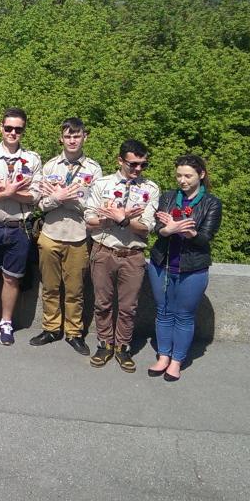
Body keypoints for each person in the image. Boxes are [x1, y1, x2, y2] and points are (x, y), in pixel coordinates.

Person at [84, 139, 160, 373]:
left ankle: (123, 346)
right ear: (120, 161)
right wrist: (112, 218)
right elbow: (89, 220)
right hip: (105, 250)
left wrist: (123, 219)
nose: (138, 170)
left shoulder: (150, 189)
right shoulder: (102, 184)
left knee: (128, 307)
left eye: (143, 165)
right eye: (133, 164)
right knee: (102, 303)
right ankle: (105, 343)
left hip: (133, 254)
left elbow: (147, 226)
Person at [146, 155, 222, 382]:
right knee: (164, 312)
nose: (182, 180)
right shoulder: (169, 197)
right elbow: (157, 228)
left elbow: (206, 238)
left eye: (188, 175)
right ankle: (163, 356)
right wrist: (168, 230)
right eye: (179, 175)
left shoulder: (211, 203)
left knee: (184, 315)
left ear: (201, 175)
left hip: (192, 268)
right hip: (162, 264)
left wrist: (189, 232)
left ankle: (176, 360)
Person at [31, 118, 102, 355]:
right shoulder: (50, 166)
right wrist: (57, 199)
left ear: (85, 137)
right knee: (50, 287)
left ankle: (74, 332)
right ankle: (51, 328)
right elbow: (41, 204)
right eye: (68, 136)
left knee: (75, 290)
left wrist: (72, 201)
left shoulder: (94, 169)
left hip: (79, 236)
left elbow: (96, 207)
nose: (72, 140)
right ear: (61, 138)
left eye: (77, 135)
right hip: (50, 234)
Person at [0, 107, 41, 345]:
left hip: (18, 226)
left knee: (12, 278)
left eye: (18, 129)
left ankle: (5, 321)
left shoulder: (32, 160)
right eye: (9, 128)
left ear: (23, 131)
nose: (13, 133)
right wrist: (10, 192)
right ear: (0, 128)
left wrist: (8, 193)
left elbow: (35, 196)